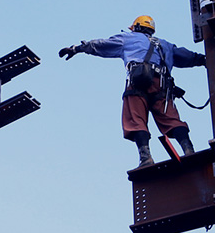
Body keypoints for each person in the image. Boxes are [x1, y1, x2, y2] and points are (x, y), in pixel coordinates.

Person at [59, 15, 207, 168]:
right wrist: (205, 59)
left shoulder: (128, 38)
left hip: (138, 81)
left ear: (136, 27)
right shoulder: (165, 45)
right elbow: (187, 56)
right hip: (162, 84)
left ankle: (145, 157)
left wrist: (77, 48)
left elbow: (102, 45)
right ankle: (189, 149)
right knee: (171, 118)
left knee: (135, 119)